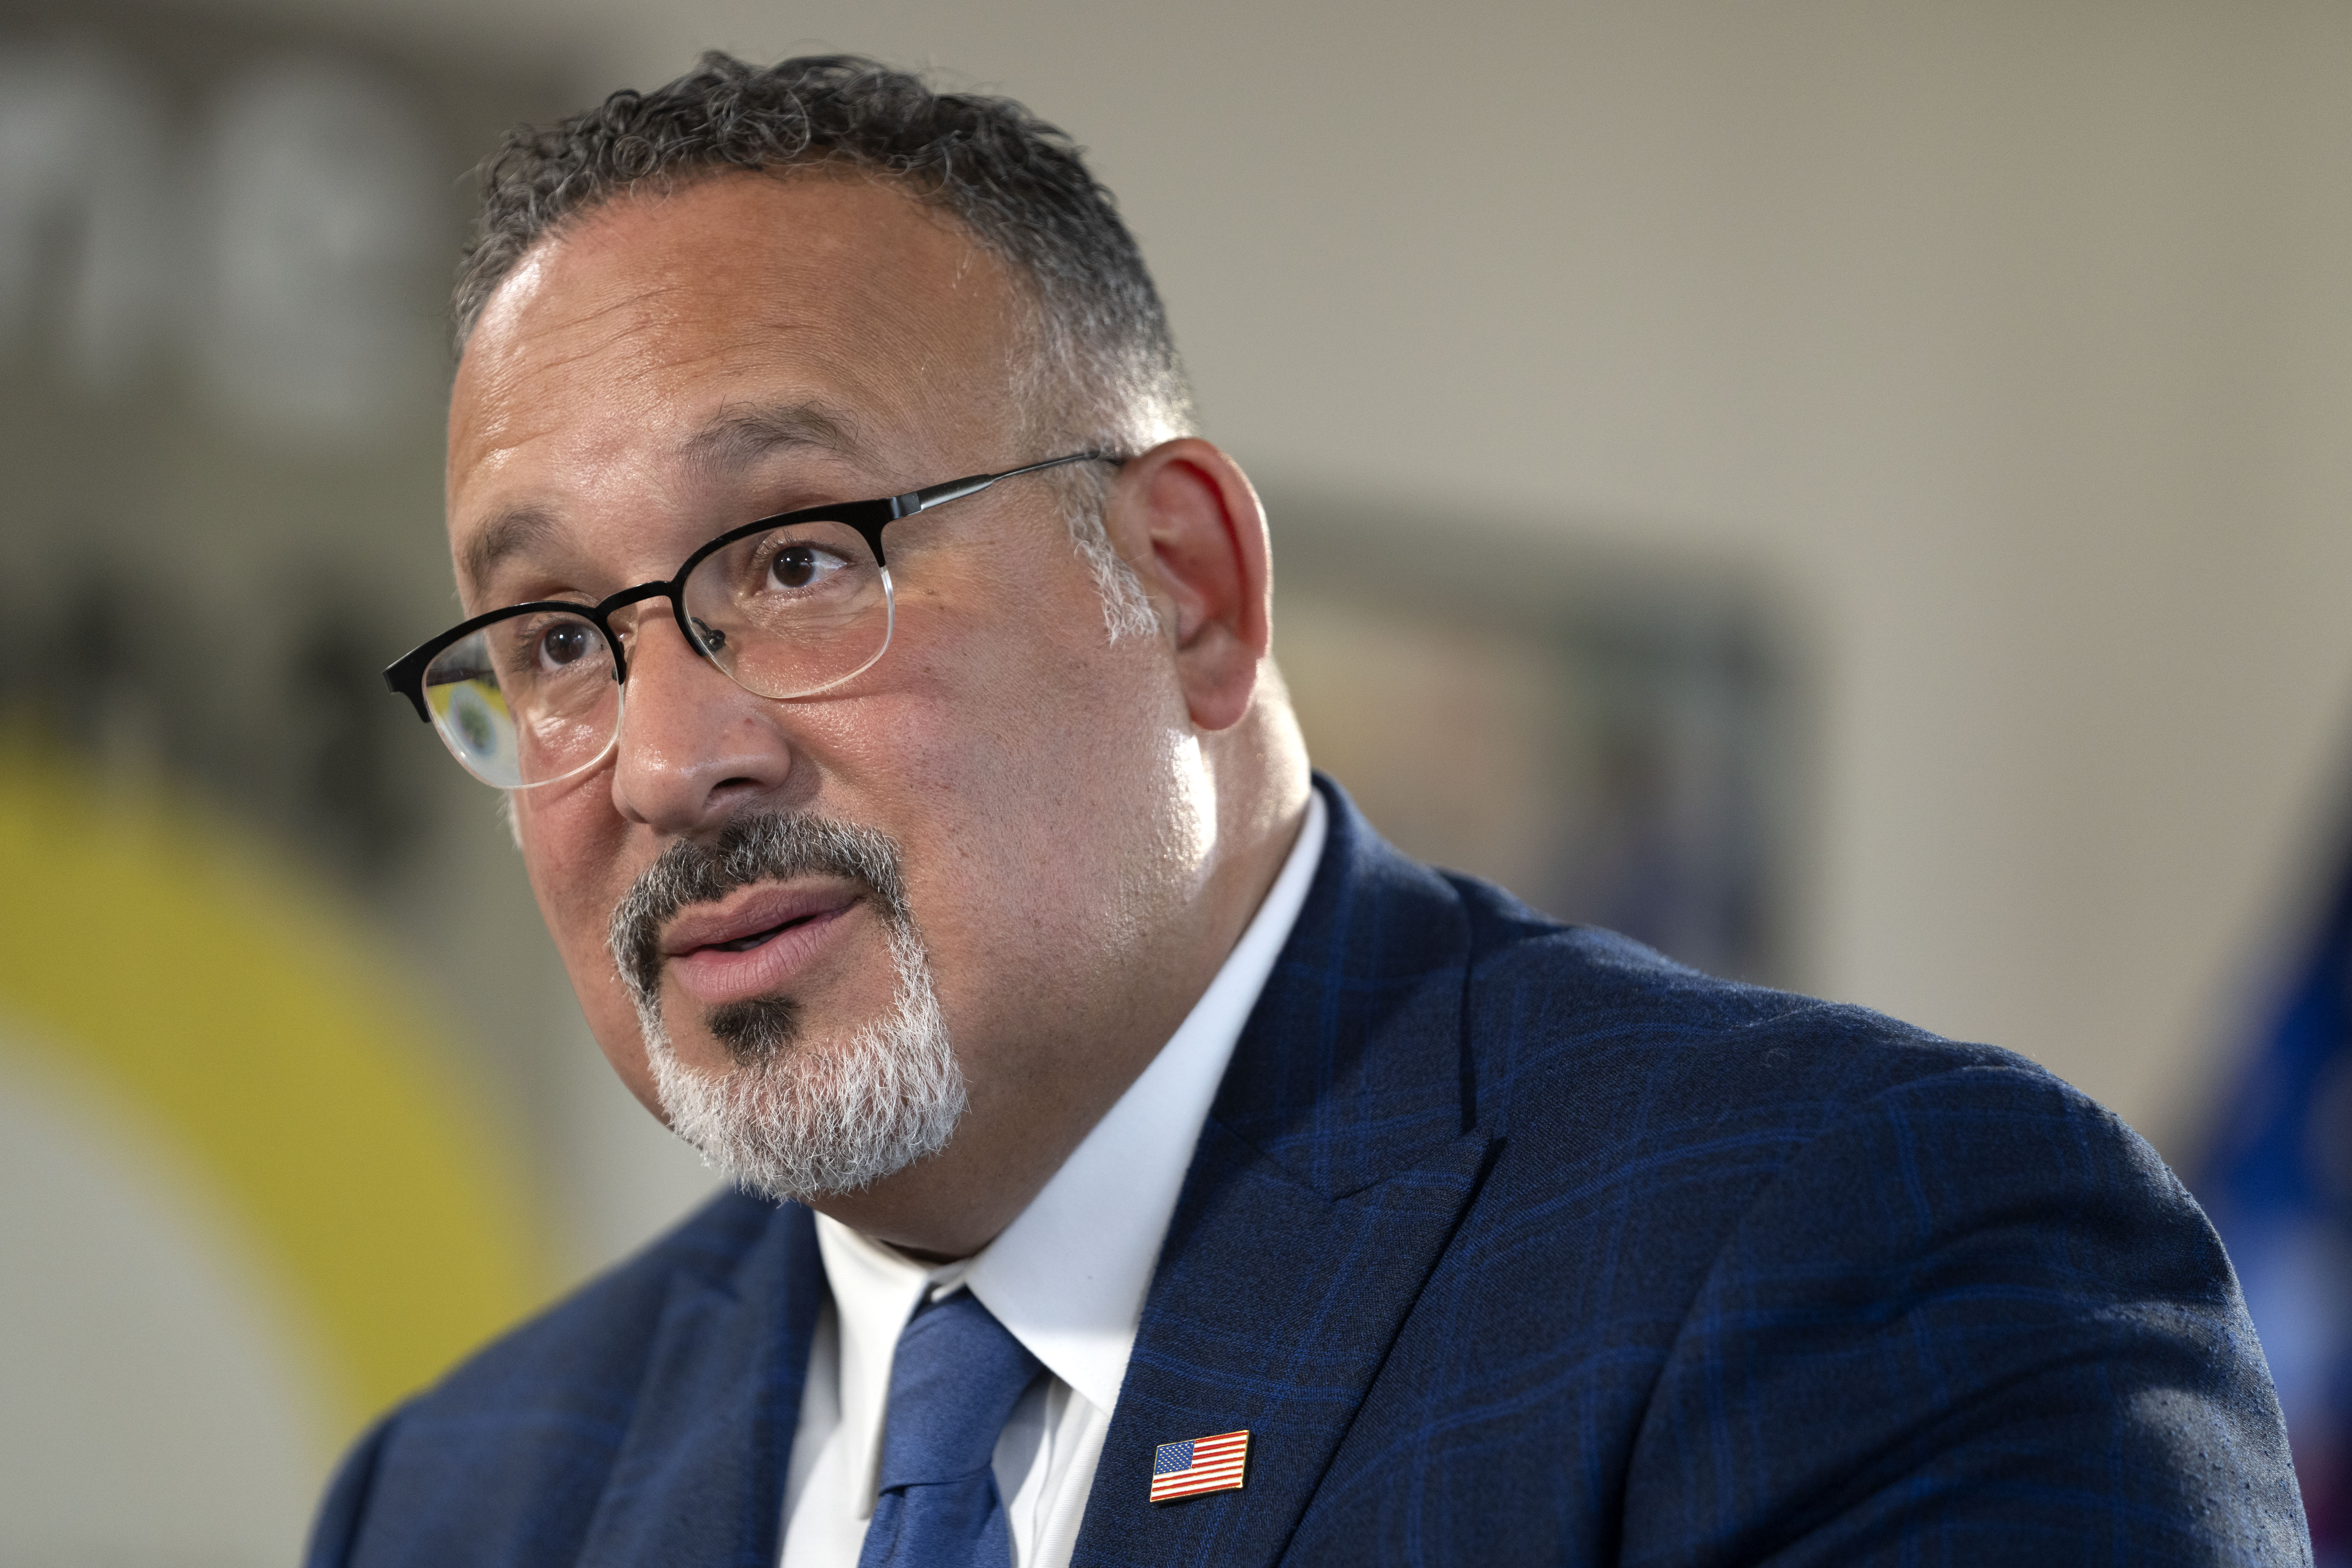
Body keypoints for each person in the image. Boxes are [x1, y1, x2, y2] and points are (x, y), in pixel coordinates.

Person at [310, 53, 2311, 1567]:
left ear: (1183, 587)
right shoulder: (460, 1499)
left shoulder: (1872, 1257)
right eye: (557, 638)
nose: (667, 763)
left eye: (802, 562)